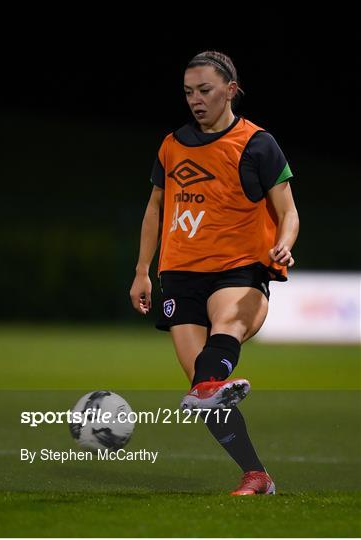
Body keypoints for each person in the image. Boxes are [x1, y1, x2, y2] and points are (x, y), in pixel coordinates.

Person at [130, 50, 299, 496]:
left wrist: (285, 242)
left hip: (238, 270)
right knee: (203, 392)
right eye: (188, 92)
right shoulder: (172, 145)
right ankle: (256, 475)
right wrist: (141, 270)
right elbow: (154, 209)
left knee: (222, 338)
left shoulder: (258, 143)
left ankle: (218, 400)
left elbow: (289, 211)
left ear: (231, 89)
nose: (195, 100)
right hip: (180, 274)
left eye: (205, 90)